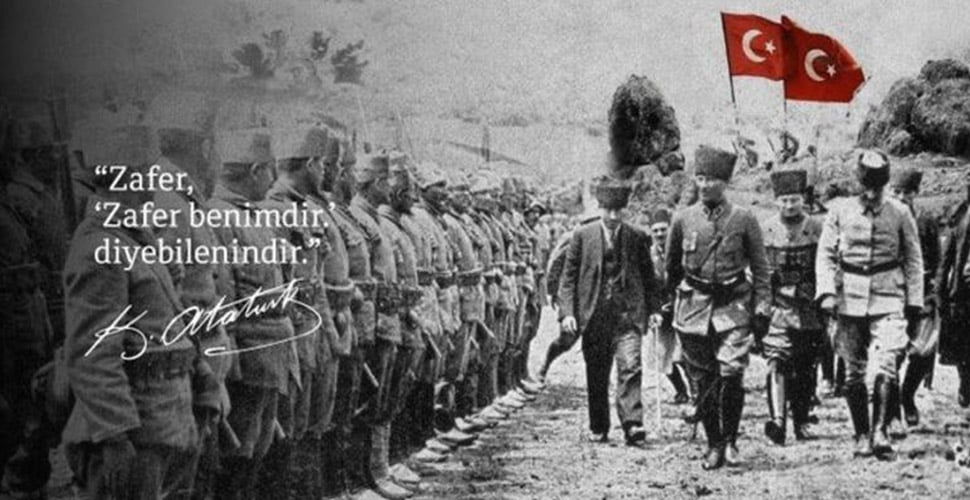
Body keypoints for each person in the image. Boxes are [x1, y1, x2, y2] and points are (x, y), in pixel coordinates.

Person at [62, 125, 219, 499]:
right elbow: (93, 354)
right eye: (149, 170)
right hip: (134, 433)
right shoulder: (100, 247)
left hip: (166, 420)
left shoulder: (134, 240)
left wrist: (204, 383)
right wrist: (114, 437)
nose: (157, 180)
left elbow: (172, 323)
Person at [665, 145, 771, 470]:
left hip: (733, 305)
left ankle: (731, 439)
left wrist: (762, 306)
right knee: (703, 380)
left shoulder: (744, 219)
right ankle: (714, 443)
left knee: (732, 372)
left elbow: (761, 269)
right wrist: (669, 305)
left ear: (724, 182)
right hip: (693, 309)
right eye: (700, 178)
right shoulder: (683, 219)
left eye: (711, 179)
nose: (704, 185)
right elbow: (671, 269)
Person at [209, 128, 300, 499]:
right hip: (247, 356)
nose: (274, 179)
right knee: (239, 454)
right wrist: (230, 358)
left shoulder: (252, 214)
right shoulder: (219, 216)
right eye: (270, 170)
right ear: (255, 170)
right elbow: (223, 295)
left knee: (259, 447)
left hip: (269, 351)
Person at [816, 150, 923, 458]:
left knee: (887, 361)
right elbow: (825, 254)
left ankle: (880, 431)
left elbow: (913, 259)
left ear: (885, 184)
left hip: (889, 295)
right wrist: (827, 292)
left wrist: (914, 301)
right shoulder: (840, 211)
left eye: (878, 188)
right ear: (859, 183)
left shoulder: (900, 212)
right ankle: (861, 434)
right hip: (849, 297)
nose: (872, 195)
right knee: (853, 371)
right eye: (867, 188)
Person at [558, 175, 657, 447]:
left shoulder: (636, 237)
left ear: (625, 209)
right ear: (599, 208)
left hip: (628, 316)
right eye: (608, 210)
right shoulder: (582, 236)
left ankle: (632, 423)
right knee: (597, 373)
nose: (613, 216)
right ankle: (599, 425)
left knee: (631, 367)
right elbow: (568, 278)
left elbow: (649, 278)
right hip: (595, 317)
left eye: (618, 210)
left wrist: (654, 309)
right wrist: (568, 313)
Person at [761, 169, 825, 444]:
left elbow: (827, 264)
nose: (789, 206)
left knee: (805, 366)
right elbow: (758, 269)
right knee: (776, 358)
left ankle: (801, 420)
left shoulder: (817, 228)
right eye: (784, 200)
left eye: (794, 200)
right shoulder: (766, 229)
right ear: (776, 201)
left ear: (803, 200)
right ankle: (777, 421)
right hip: (778, 305)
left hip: (808, 306)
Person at [888, 168, 940, 429]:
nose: (901, 197)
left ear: (915, 194)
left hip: (922, 292)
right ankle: (892, 410)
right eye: (896, 192)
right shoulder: (884, 219)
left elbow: (937, 258)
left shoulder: (926, 221)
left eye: (906, 193)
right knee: (892, 351)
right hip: (892, 292)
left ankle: (907, 395)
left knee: (923, 350)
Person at [648, 207, 691, 404]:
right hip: (661, 312)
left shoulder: (682, 251)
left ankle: (698, 394)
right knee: (662, 356)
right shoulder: (648, 255)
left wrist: (676, 302)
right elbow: (647, 285)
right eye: (655, 230)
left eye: (663, 229)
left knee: (683, 356)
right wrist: (655, 308)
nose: (659, 234)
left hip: (683, 308)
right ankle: (681, 391)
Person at [940, 178, 970, 410]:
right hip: (963, 292)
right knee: (962, 345)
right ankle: (966, 384)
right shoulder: (960, 216)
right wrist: (940, 291)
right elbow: (946, 258)